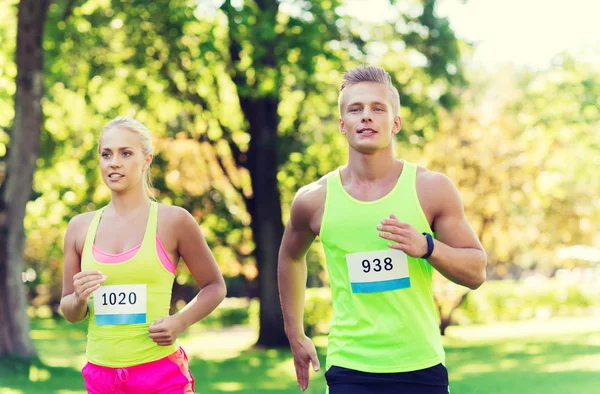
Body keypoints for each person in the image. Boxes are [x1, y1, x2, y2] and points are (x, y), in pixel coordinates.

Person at [278, 65, 487, 394]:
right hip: (350, 368)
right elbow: (290, 257)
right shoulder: (313, 200)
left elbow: (476, 271)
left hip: (420, 366)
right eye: (355, 109)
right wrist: (295, 331)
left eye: (378, 109)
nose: (366, 117)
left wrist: (428, 247)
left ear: (396, 123)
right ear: (342, 124)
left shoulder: (431, 189)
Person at [60, 116, 227, 393]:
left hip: (160, 374)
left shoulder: (173, 221)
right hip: (101, 377)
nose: (114, 162)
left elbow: (215, 286)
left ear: (147, 159)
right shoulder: (79, 227)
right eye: (106, 154)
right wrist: (78, 298)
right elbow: (70, 311)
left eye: (126, 153)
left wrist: (179, 321)